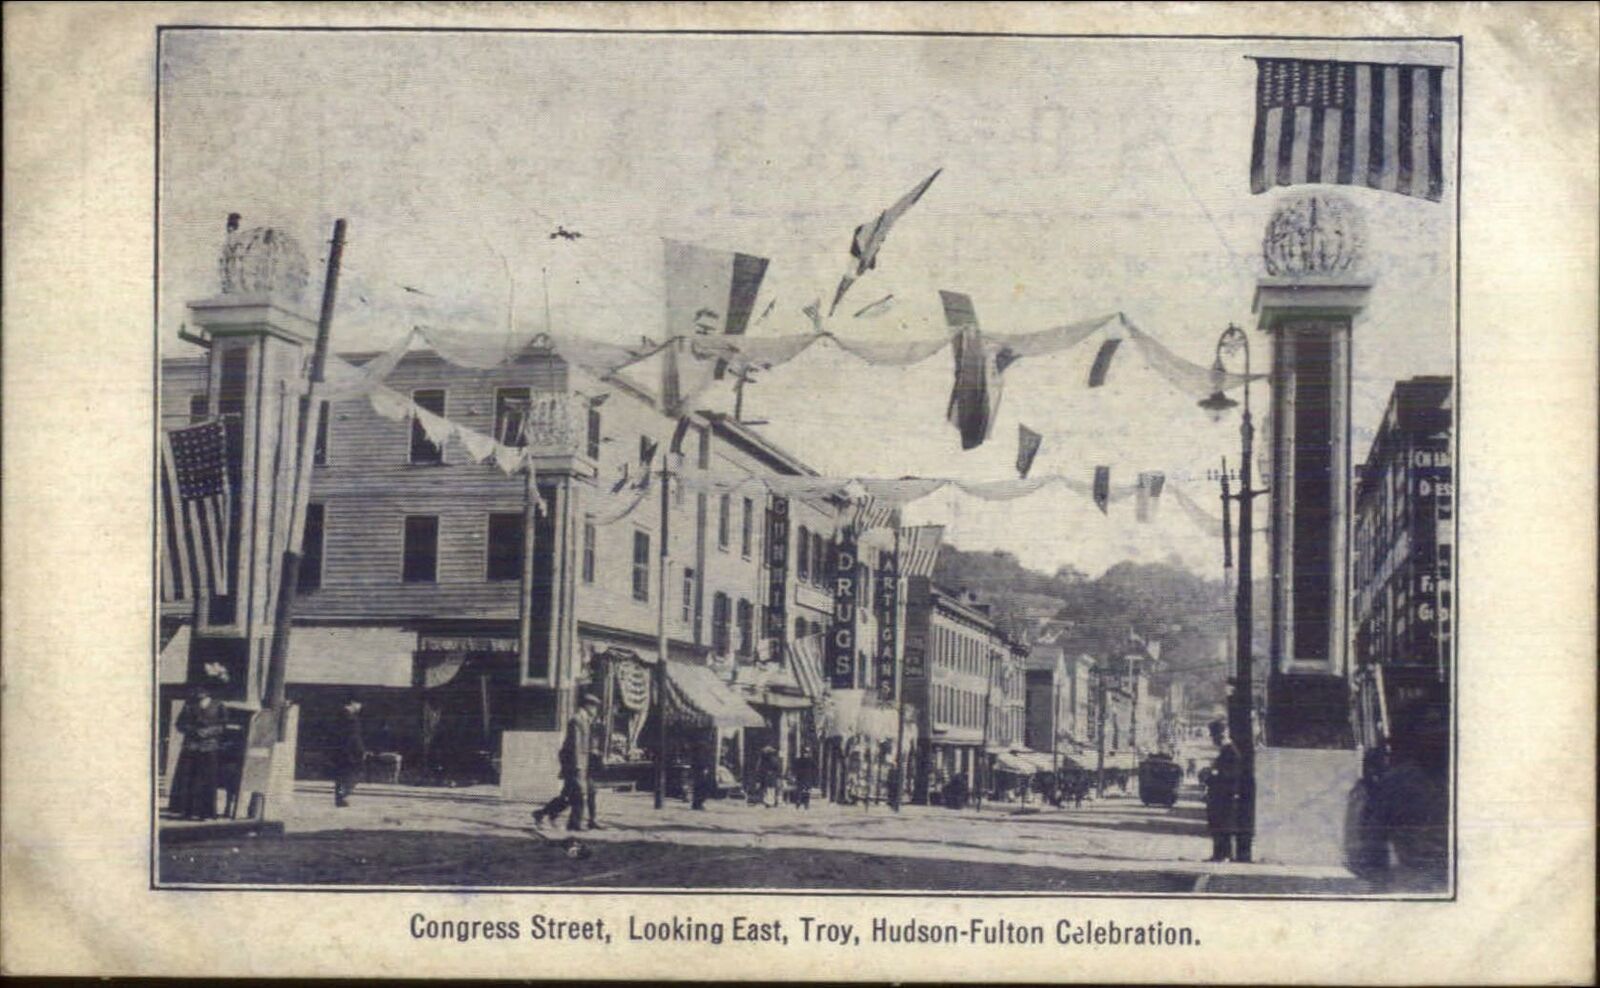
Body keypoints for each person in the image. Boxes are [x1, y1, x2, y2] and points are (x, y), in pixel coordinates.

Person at [532, 692, 601, 831]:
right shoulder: (577, 720)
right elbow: (576, 745)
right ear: (587, 706)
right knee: (578, 795)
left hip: (583, 764)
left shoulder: (587, 720)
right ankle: (574, 824)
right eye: (594, 707)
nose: (595, 710)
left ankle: (541, 813)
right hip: (575, 764)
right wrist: (578, 765)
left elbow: (587, 743)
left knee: (571, 795)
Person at [169, 682, 228, 820]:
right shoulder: (189, 705)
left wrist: (208, 732)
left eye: (203, 689)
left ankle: (206, 813)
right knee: (189, 780)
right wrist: (193, 731)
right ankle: (187, 811)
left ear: (209, 691)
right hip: (191, 747)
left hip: (210, 747)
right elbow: (180, 724)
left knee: (207, 780)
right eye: (198, 689)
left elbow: (223, 725)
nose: (200, 691)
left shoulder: (219, 705)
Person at [1200, 719, 1248, 862]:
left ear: (1220, 735)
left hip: (1225, 794)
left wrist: (1212, 775)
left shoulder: (1230, 751)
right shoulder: (1226, 750)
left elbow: (1231, 774)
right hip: (1221, 794)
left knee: (1223, 824)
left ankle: (1224, 855)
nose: (1212, 739)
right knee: (1217, 823)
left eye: (1213, 735)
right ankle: (1218, 854)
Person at [333, 695, 366, 807]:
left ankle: (340, 797)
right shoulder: (350, 718)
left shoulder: (341, 715)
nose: (360, 707)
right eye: (359, 704)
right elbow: (354, 737)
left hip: (341, 751)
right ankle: (342, 796)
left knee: (342, 777)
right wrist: (360, 750)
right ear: (353, 703)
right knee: (352, 775)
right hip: (349, 752)